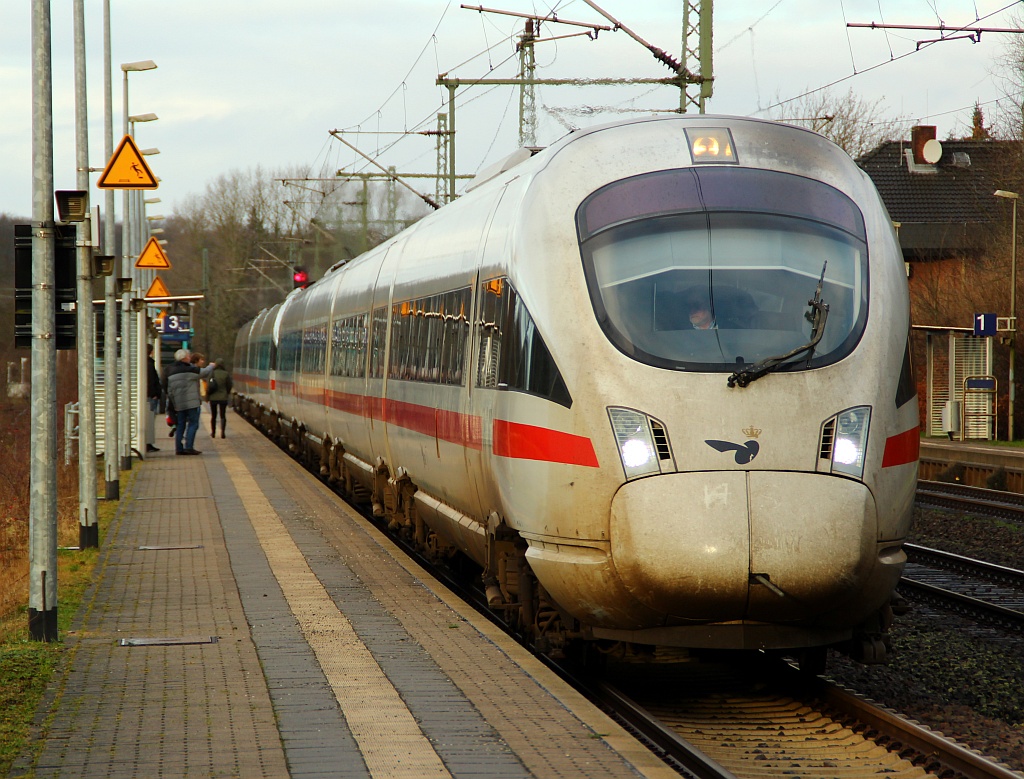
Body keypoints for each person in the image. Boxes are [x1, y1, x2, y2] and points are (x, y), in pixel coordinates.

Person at [162, 348, 215, 455]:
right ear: (185, 358)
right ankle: (189, 446)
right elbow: (204, 372)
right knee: (193, 424)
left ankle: (179, 448)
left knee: (180, 424)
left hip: (179, 404)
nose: (190, 358)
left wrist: (173, 402)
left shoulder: (170, 371)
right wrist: (211, 366)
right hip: (192, 403)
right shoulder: (191, 370)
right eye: (189, 356)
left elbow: (169, 390)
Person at [207, 359, 233, 438]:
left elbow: (208, 385)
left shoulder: (212, 373)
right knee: (223, 415)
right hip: (223, 397)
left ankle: (213, 432)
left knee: (213, 416)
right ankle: (223, 432)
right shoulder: (226, 374)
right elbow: (229, 385)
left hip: (213, 398)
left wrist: (208, 395)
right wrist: (226, 393)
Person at [145, 343, 161, 453]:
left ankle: (148, 443)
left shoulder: (146, 363)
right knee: (149, 420)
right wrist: (154, 393)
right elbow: (151, 381)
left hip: (149, 395)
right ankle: (147, 443)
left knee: (149, 419)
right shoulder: (149, 364)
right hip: (150, 396)